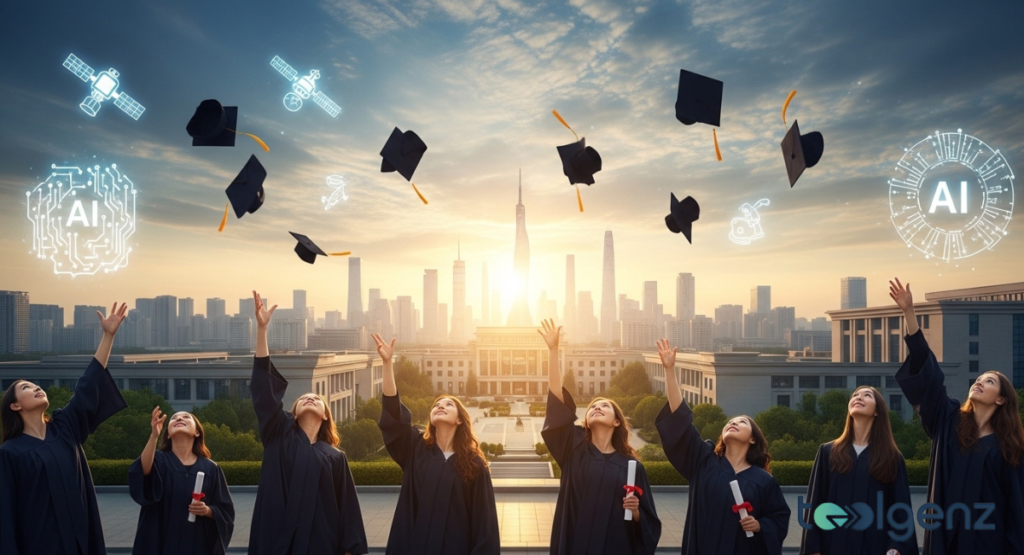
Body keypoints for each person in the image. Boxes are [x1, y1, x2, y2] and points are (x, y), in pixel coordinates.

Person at [890, 277, 1024, 554]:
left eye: (989, 381)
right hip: (944, 537)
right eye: (978, 378)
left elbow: (1018, 508)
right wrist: (909, 313)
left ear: (1001, 399)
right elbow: (928, 376)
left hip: (989, 542)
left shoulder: (1011, 448)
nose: (979, 381)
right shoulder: (949, 420)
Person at [0, 302, 129, 555]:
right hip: (40, 546)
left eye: (36, 385)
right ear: (14, 406)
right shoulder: (10, 453)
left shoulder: (64, 429)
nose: (36, 388)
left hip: (81, 543)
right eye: (26, 388)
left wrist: (108, 336)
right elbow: (6, 516)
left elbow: (88, 384)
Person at [248, 291, 367, 555]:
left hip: (320, 546)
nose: (310, 398)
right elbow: (264, 391)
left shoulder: (335, 458)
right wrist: (262, 330)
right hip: (276, 543)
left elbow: (347, 511)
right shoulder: (277, 434)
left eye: (316, 398)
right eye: (304, 398)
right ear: (293, 411)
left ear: (326, 414)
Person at [654, 338, 790, 555]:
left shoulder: (764, 481)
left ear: (753, 439)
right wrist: (670, 370)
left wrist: (759, 525)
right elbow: (680, 419)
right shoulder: (704, 460)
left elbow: (779, 519)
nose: (733, 422)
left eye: (742, 422)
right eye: (730, 422)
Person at [539, 319, 661, 554]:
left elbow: (648, 524)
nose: (597, 407)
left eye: (605, 406)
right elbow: (556, 400)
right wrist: (553, 351)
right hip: (575, 545)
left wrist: (636, 511)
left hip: (615, 546)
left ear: (617, 421)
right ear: (586, 421)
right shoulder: (573, 448)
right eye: (593, 407)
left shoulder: (632, 467)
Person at [373, 333, 500, 554]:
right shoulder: (415, 449)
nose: (440, 406)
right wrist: (387, 363)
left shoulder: (474, 464)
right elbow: (394, 417)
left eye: (448, 404)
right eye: (436, 405)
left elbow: (485, 527)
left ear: (460, 419)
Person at [799, 386, 918, 555]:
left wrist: (896, 548)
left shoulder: (891, 457)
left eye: (867, 395)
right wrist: (813, 550)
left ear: (877, 411)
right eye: (855, 395)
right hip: (832, 547)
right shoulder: (828, 452)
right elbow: (815, 505)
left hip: (874, 547)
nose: (858, 397)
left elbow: (900, 510)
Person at [129, 407, 235, 554]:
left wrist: (208, 511)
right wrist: (154, 436)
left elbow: (225, 510)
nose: (179, 419)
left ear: (197, 432)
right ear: (168, 435)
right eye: (174, 418)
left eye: (186, 417)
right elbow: (144, 470)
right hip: (161, 542)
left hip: (196, 543)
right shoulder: (159, 460)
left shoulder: (211, 468)